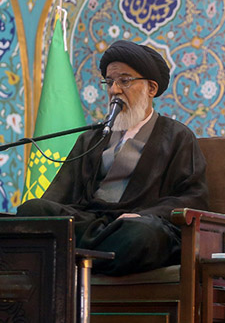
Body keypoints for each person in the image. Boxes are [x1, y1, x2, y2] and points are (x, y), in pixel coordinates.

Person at [16, 40, 209, 276]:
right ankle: (88, 258)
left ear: (151, 88)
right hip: (91, 224)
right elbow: (58, 197)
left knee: (140, 236)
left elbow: (194, 198)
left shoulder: (177, 136)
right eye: (109, 82)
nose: (114, 90)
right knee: (32, 209)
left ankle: (73, 261)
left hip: (135, 226)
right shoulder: (92, 138)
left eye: (124, 81)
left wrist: (143, 216)